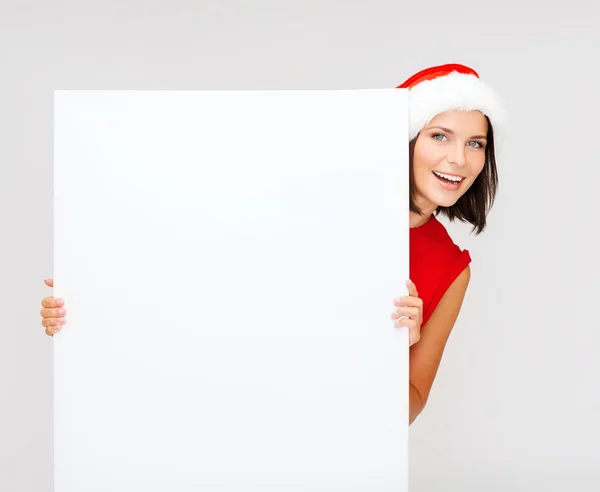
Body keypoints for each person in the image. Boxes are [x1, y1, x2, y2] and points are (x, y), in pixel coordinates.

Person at [39, 63, 505, 425]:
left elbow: (410, 404)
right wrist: (88, 298)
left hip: (326, 452)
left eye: (476, 144)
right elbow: (198, 282)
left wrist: (390, 350)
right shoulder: (316, 201)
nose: (457, 159)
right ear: (404, 138)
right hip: (224, 422)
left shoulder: (450, 267)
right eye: (439, 136)